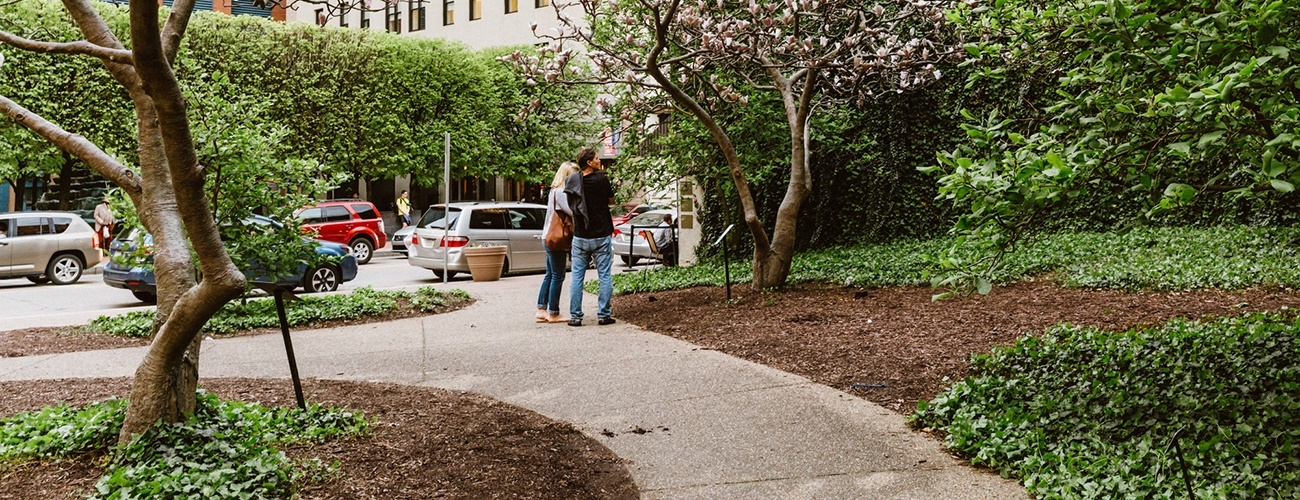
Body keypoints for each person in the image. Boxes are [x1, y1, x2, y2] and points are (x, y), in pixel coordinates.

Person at [564, 148, 617, 326]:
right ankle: (603, 315)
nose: (598, 159)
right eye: (595, 158)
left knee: (577, 277)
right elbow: (612, 201)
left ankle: (575, 316)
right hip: (601, 234)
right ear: (589, 162)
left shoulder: (572, 180)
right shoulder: (602, 179)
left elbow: (570, 205)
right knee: (604, 276)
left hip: (580, 235)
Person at [536, 162, 580, 323]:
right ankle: (554, 312)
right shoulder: (561, 192)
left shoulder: (554, 191)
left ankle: (541, 308)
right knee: (558, 275)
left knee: (550, 274)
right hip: (556, 238)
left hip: (548, 236)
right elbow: (572, 212)